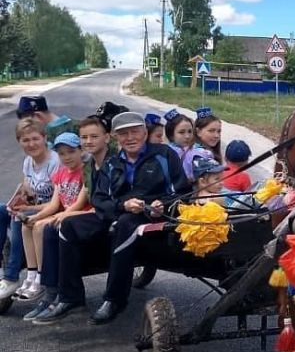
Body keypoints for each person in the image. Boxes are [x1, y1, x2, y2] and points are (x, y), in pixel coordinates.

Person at [34, 112, 189, 326]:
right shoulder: (111, 163)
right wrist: (122, 205)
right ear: (116, 137)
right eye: (124, 134)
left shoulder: (164, 155)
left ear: (145, 133)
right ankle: (71, 297)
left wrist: (162, 205)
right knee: (68, 225)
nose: (130, 137)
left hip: (150, 216)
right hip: (117, 212)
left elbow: (182, 192)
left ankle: (114, 300)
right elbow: (99, 199)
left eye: (135, 131)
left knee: (125, 225)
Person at [27, 117, 113, 322]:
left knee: (59, 227)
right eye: (85, 137)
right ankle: (48, 287)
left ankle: (67, 294)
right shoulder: (91, 165)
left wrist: (65, 214)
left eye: (94, 137)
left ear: (107, 138)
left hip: (103, 215)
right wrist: (36, 214)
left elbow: (93, 204)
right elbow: (57, 203)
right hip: (94, 213)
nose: (89, 141)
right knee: (35, 224)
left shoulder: (99, 166)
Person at [18, 132, 89, 302]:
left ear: (80, 150)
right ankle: (32, 273)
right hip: (63, 212)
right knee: (27, 225)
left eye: (71, 151)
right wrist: (36, 216)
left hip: (79, 214)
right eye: (62, 153)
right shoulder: (61, 173)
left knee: (39, 227)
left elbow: (79, 203)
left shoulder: (85, 172)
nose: (66, 157)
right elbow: (54, 204)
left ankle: (43, 277)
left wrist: (57, 216)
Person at [0, 119, 60, 299]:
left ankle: (11, 277)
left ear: (44, 138)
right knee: (3, 211)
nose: (31, 144)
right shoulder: (28, 162)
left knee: (20, 217)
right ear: (19, 142)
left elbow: (58, 200)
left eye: (35, 139)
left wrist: (24, 208)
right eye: (25, 140)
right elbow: (28, 189)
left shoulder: (54, 162)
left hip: (54, 209)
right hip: (34, 207)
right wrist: (18, 200)